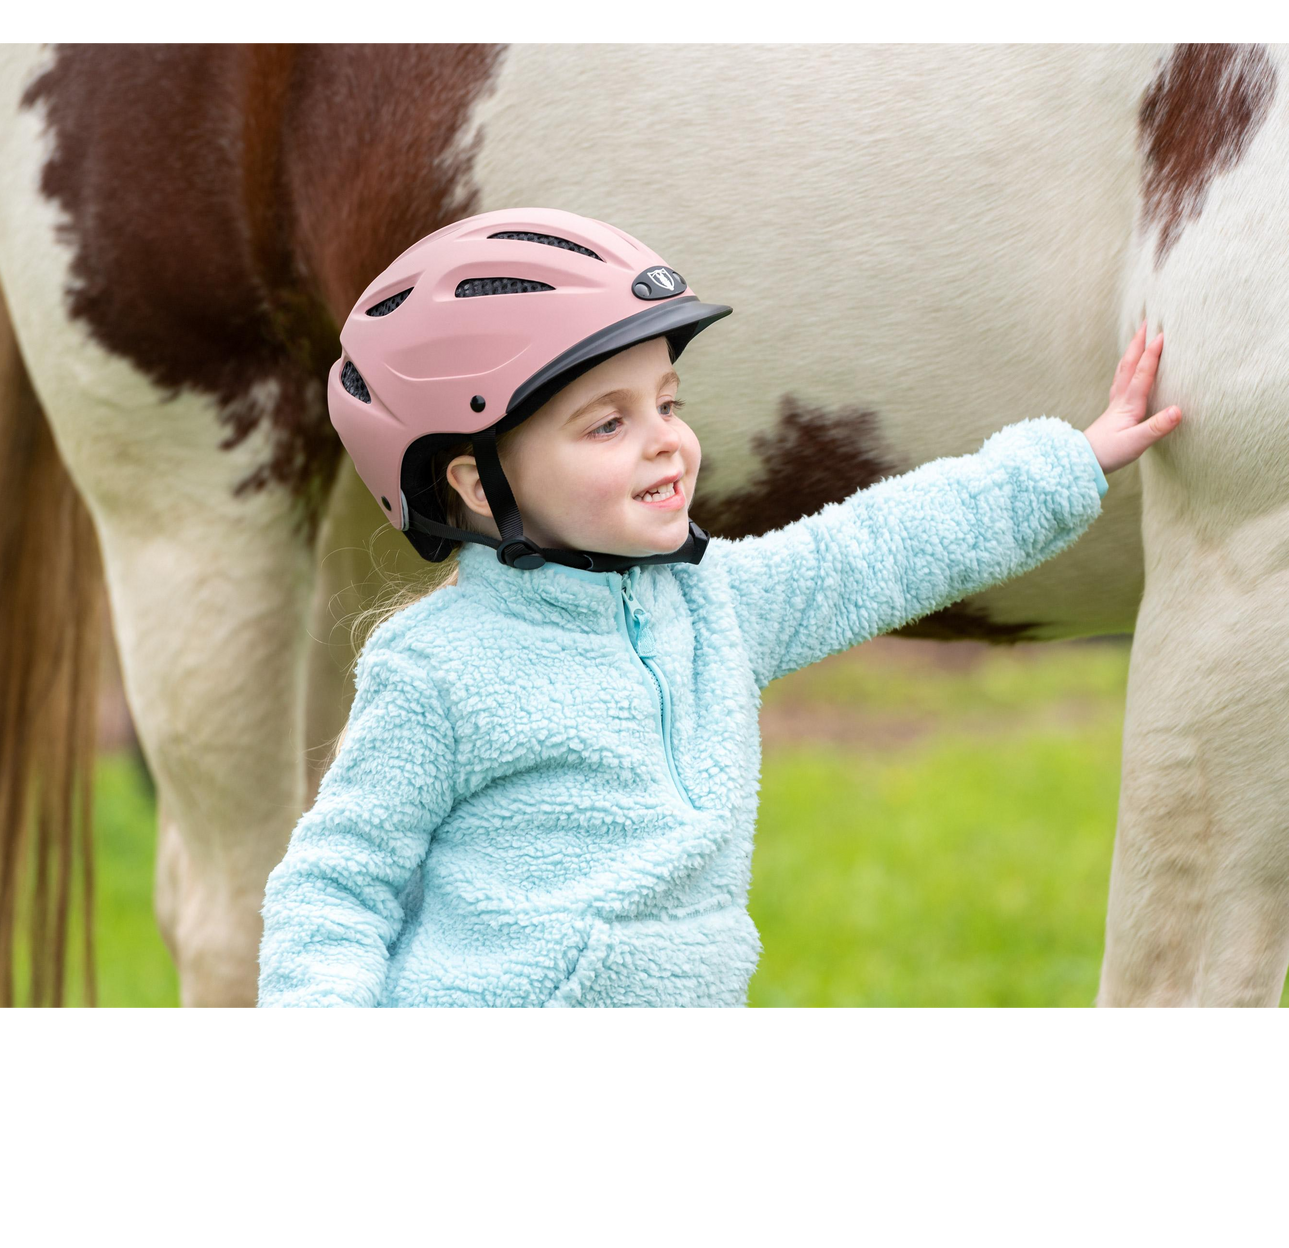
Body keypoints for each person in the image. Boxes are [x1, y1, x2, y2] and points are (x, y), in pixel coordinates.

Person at [257, 208, 1179, 1010]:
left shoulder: (720, 607)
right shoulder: (435, 668)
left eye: (667, 402)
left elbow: (887, 544)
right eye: (608, 423)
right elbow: (338, 883)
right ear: (475, 482)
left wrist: (1071, 459)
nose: (667, 443)